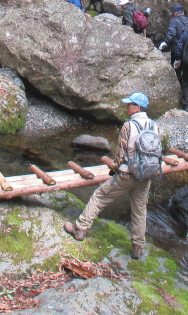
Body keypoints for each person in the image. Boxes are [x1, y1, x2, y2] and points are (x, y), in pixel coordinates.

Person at [63, 92, 158, 260]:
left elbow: (121, 154)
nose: (127, 107)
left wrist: (115, 169)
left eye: (129, 105)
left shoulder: (129, 126)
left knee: (99, 196)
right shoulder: (153, 125)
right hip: (145, 175)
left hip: (127, 174)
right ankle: (138, 246)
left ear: (137, 107)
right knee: (140, 209)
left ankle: (80, 228)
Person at [159, 4, 188, 101]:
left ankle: (180, 91)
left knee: (177, 70)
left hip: (177, 50)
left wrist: (165, 42)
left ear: (174, 14)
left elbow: (171, 33)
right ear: (183, 13)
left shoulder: (174, 21)